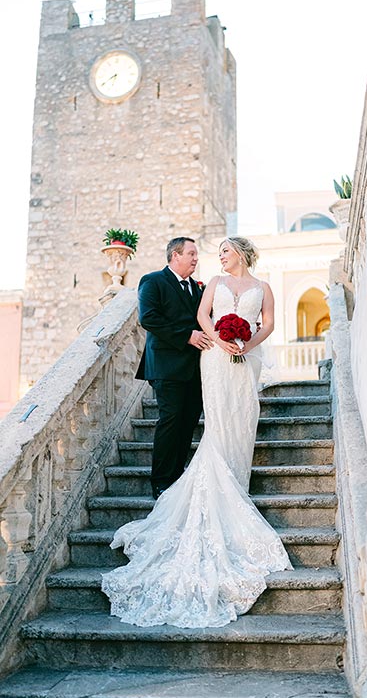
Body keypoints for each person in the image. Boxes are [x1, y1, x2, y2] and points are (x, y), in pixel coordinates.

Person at [102, 236, 292, 628]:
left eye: (224, 251)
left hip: (240, 360)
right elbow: (187, 320)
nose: (208, 258)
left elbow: (268, 322)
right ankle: (167, 486)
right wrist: (221, 340)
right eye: (195, 253)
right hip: (195, 361)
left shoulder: (242, 286)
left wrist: (246, 343)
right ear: (175, 255)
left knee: (232, 420)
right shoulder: (173, 283)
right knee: (182, 424)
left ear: (241, 253)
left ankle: (233, 483)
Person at [135, 236, 213, 499]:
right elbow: (148, 318)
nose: (195, 258)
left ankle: (178, 477)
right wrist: (187, 335)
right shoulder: (153, 281)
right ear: (175, 255)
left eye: (196, 254)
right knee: (170, 421)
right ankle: (161, 482)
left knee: (188, 422)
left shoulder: (198, 288)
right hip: (166, 367)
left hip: (195, 368)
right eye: (191, 253)